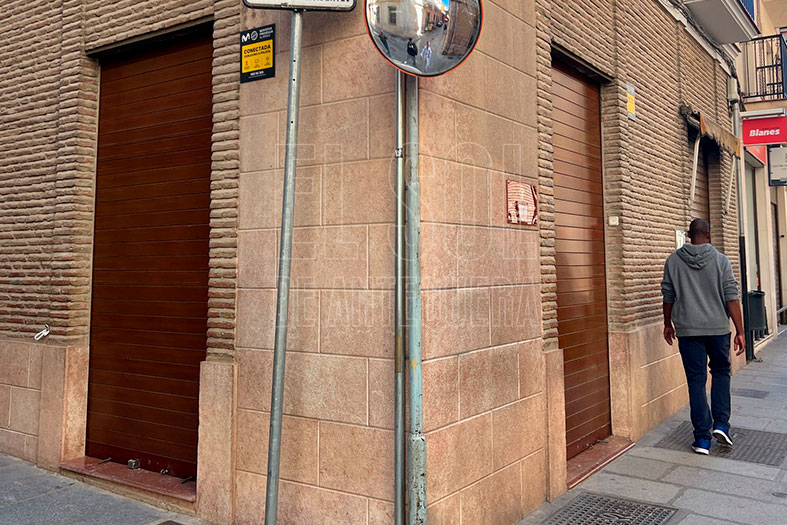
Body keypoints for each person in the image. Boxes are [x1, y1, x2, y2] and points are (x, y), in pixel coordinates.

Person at [661, 218, 745, 455]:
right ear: (708, 235)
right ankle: (721, 425)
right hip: (718, 330)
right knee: (720, 373)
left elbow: (668, 296)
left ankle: (702, 440)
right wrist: (740, 330)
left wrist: (667, 324)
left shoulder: (673, 261)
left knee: (696, 381)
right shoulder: (721, 261)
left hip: (688, 332)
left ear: (689, 236)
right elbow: (731, 297)